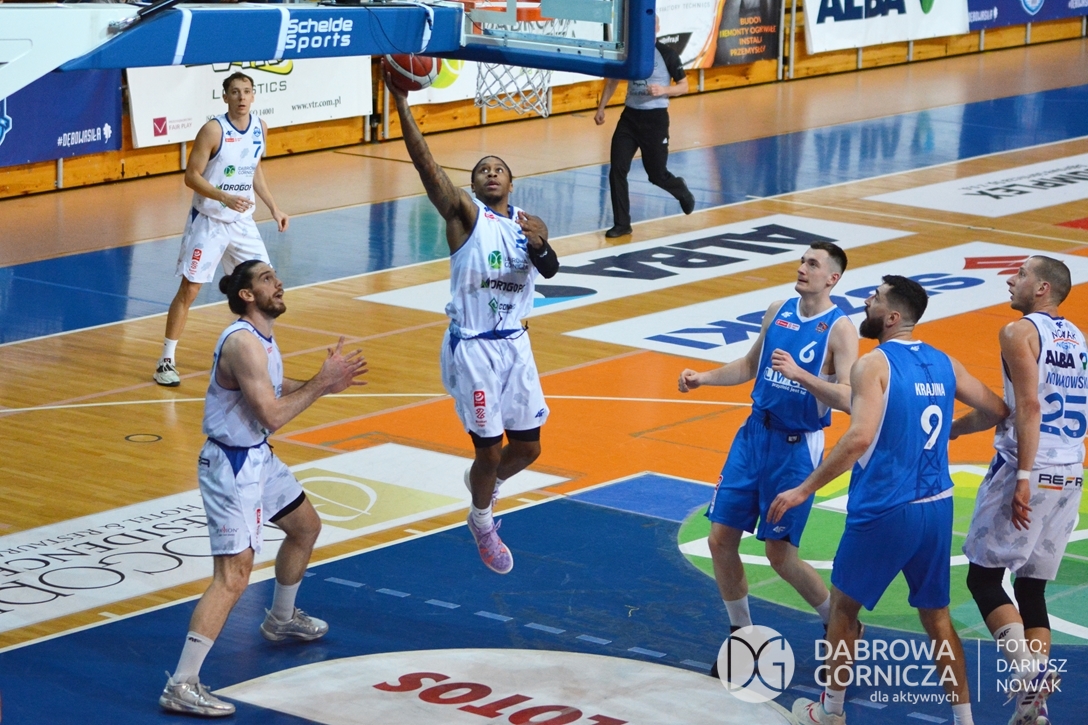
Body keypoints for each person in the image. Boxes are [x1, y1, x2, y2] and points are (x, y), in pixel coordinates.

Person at [771, 276, 1008, 725]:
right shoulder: (944, 361)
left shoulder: (873, 364)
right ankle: (965, 720)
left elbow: (859, 438)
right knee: (937, 618)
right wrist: (954, 430)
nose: (867, 301)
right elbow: (997, 410)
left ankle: (831, 711)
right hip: (936, 506)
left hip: (885, 506)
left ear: (892, 317)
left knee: (844, 608)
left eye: (875, 298)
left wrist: (804, 488)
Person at [158, 260, 367, 717]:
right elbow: (271, 414)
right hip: (232, 465)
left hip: (256, 457)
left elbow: (271, 387)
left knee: (305, 526)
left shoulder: (262, 339)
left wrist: (323, 384)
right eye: (268, 279)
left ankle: (281, 619)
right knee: (233, 577)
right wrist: (320, 384)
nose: (279, 283)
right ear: (247, 295)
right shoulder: (242, 343)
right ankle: (182, 683)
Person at [388, 70, 560, 575]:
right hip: (474, 347)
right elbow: (427, 167)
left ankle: (487, 485)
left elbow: (550, 268)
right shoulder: (465, 216)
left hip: (516, 344)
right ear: (473, 184)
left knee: (528, 448)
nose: (490, 173)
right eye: (482, 169)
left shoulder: (529, 223)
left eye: (498, 168)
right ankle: (482, 521)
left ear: (511, 182)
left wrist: (541, 244)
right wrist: (403, 105)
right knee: (487, 452)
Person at [678, 242, 858, 664]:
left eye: (812, 264)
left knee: (780, 556)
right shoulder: (778, 310)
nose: (802, 268)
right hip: (753, 436)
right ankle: (743, 637)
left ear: (832, 278)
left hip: (796, 447)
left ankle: (839, 625)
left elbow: (850, 398)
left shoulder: (840, 329)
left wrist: (800, 375)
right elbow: (748, 366)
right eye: (802, 261)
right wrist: (703, 377)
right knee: (720, 539)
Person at [959, 256, 1085, 725]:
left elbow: (1028, 406)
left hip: (1029, 467)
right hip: (1071, 470)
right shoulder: (1077, 337)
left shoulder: (1018, 332)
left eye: (1021, 275)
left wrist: (1025, 477)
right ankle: (1032, 710)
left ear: (1043, 288)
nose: (1011, 281)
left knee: (983, 579)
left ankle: (1030, 674)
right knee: (1031, 588)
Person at [154, 71, 289, 387]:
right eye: (235, 92)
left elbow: (254, 169)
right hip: (209, 222)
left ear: (254, 96)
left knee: (264, 287)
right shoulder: (213, 130)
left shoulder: (260, 127)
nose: (242, 97)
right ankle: (165, 361)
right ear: (225, 96)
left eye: (247, 91)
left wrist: (274, 207)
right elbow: (191, 176)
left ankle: (256, 355)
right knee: (190, 290)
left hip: (242, 222)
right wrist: (223, 196)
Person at [594, 15, 695, 238]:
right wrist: (601, 108)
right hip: (630, 118)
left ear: (657, 27)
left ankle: (680, 189)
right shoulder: (629, 53)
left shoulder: (667, 54)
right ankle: (622, 224)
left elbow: (684, 86)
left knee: (656, 174)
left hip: (655, 120)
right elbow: (613, 80)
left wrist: (663, 90)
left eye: (652, 25)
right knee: (617, 170)